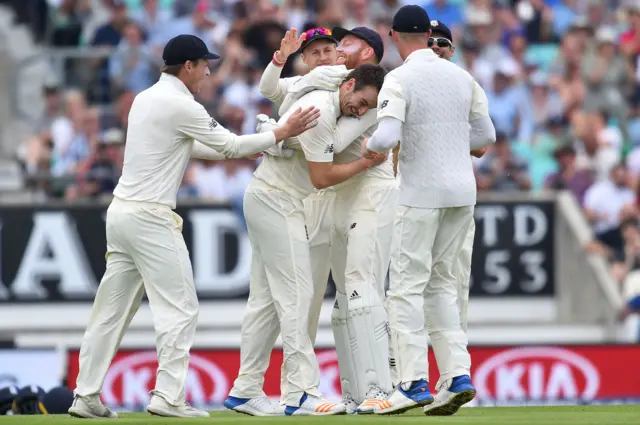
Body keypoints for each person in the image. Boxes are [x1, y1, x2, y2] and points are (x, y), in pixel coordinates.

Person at [68, 34, 319, 419]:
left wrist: (264, 144)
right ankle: (168, 397)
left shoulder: (145, 98)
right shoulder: (181, 105)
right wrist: (280, 134)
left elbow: (192, 148)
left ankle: (85, 395)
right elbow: (230, 147)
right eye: (204, 65)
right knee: (180, 308)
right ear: (188, 66)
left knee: (110, 312)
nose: (207, 71)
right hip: (152, 217)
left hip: (121, 215)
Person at [225, 61, 388, 416]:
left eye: (366, 109)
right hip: (276, 201)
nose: (359, 111)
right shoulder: (319, 112)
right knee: (298, 295)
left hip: (271, 198)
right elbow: (321, 178)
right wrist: (365, 163)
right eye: (361, 102)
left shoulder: (330, 98)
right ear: (350, 85)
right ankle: (301, 392)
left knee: (268, 302)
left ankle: (245, 389)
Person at [363, 5, 496, 416]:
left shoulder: (399, 78)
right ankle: (457, 375)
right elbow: (485, 135)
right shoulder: (462, 76)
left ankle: (412, 382)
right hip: (462, 193)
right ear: (427, 34)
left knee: (405, 288)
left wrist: (365, 148)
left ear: (394, 35)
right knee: (442, 286)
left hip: (420, 194)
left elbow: (386, 137)